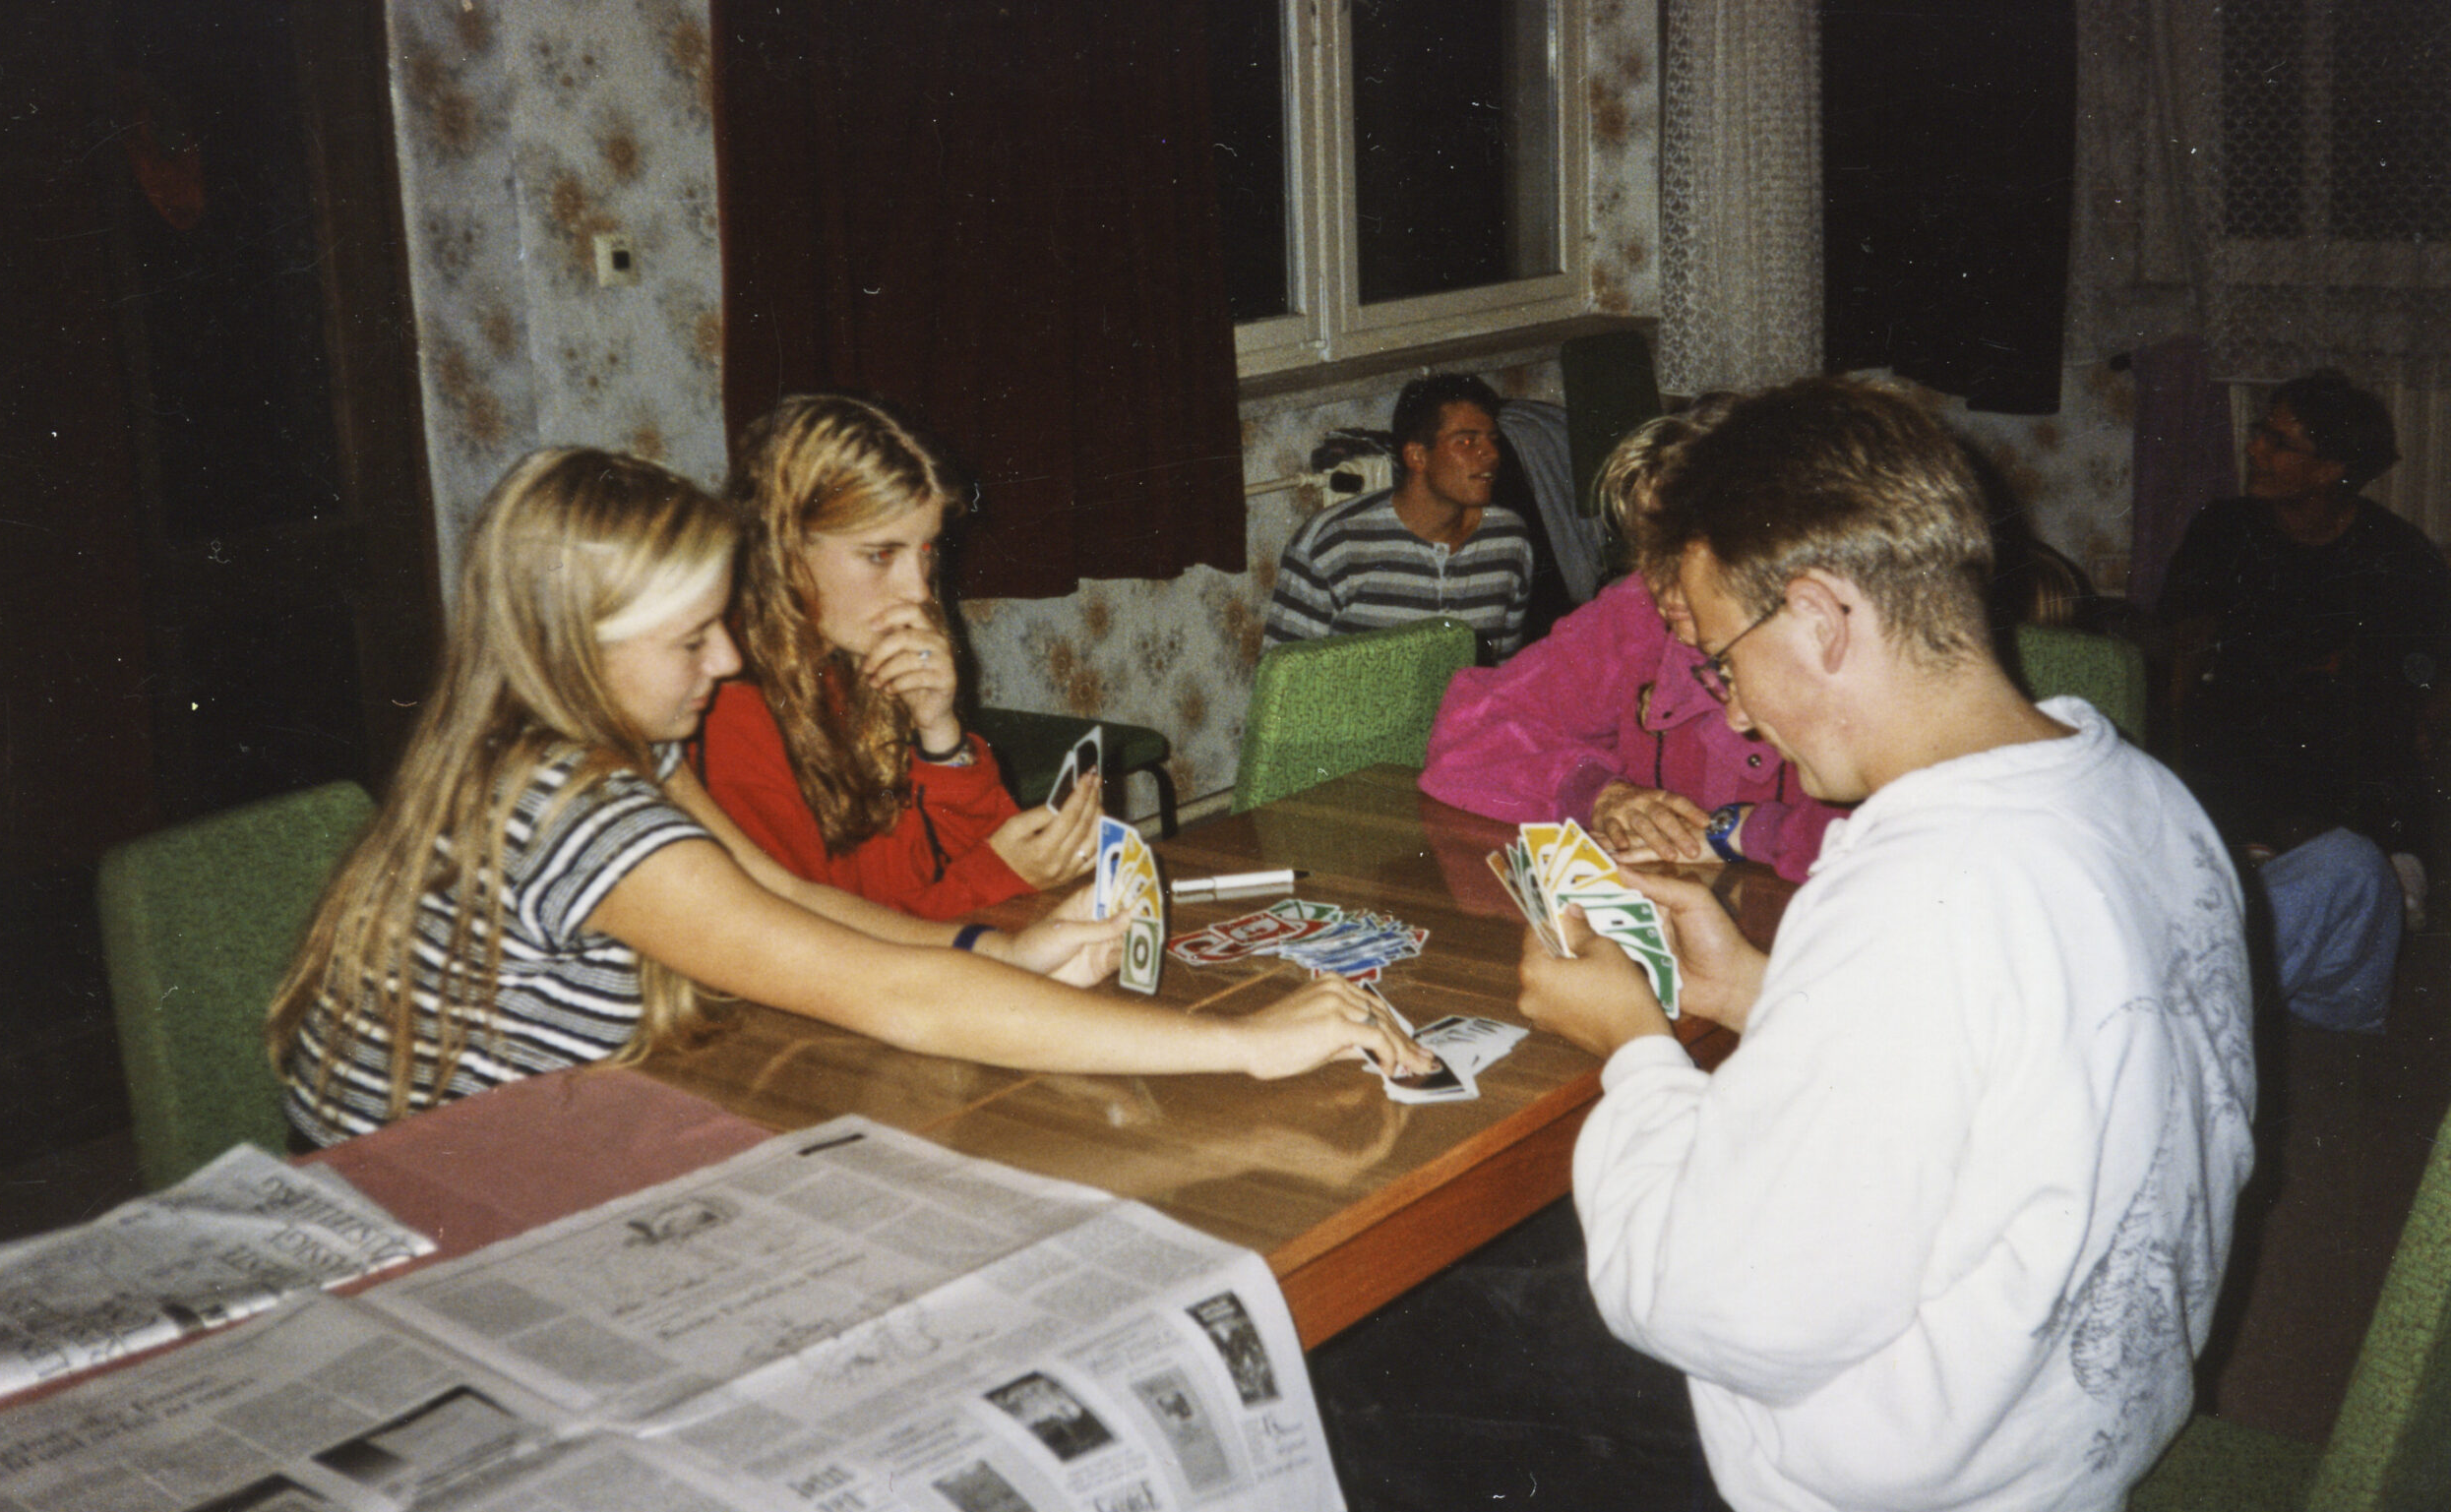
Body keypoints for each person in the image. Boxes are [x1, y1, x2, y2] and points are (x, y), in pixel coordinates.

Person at [1514, 380, 2255, 1512]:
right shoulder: (2145, 798)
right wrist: (1760, 992)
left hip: (1882, 1494)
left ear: (1819, 618)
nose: (1737, 715)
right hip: (2060, 1438)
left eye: (1724, 661)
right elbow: (2011, 1069)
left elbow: (1708, 1305)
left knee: (1393, 1356)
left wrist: (1634, 1048)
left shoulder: (1914, 892)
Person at [270, 448, 1427, 1146]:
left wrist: (1001, 954)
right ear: (579, 644)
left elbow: (779, 892)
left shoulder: (604, 744)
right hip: (428, 1207)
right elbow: (892, 996)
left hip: (535, 1141)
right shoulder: (573, 806)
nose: (727, 659)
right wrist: (1239, 1047)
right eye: (692, 638)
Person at [700, 394, 1098, 920]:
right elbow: (819, 944)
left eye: (926, 551)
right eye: (880, 555)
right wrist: (995, 875)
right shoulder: (728, 709)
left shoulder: (850, 665)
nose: (917, 591)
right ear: (785, 549)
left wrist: (939, 730)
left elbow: (922, 877)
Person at [1419, 398, 1845, 877]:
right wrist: (1596, 792)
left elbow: (1892, 834)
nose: (1662, 586)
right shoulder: (1637, 613)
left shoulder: (1844, 642)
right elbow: (1469, 728)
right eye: (1651, 549)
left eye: (1691, 555)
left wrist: (1754, 833)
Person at [2160, 370, 2451, 1027]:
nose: (2254, 448)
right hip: (2244, 729)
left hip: (2349, 743)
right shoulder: (2224, 529)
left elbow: (2433, 671)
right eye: (2260, 433)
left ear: (2330, 471)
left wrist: (2424, 725)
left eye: (2277, 441)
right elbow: (2183, 647)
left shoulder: (2397, 554)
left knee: (2356, 745)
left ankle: (2370, 869)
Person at [1265, 372, 1534, 659]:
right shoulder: (1333, 543)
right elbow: (1281, 678)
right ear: (1417, 456)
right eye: (1467, 442)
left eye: (1492, 440)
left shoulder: (1507, 539)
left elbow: (1503, 673)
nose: (1491, 454)